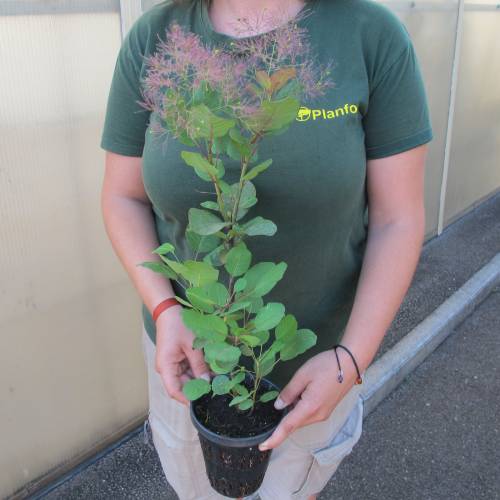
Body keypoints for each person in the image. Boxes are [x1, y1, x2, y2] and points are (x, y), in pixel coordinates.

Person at [100, 0, 433, 498]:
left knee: (293, 489)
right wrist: (165, 308)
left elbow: (398, 218)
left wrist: (352, 359)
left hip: (318, 363)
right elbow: (122, 196)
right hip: (193, 352)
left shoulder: (370, 35)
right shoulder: (155, 39)